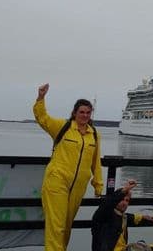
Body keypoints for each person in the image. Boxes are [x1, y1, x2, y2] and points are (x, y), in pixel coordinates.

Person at [34, 83, 103, 250]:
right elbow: (42, 118)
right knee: (56, 226)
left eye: (88, 112)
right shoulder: (62, 127)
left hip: (78, 186)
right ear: (74, 113)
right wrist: (41, 98)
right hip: (57, 181)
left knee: (66, 227)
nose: (85, 115)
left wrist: (98, 185)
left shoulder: (94, 134)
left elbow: (96, 162)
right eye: (81, 112)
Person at [91, 179, 153, 251]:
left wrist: (143, 217)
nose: (124, 203)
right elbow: (108, 204)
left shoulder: (123, 217)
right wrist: (124, 190)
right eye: (122, 200)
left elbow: (131, 217)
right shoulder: (103, 216)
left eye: (127, 200)